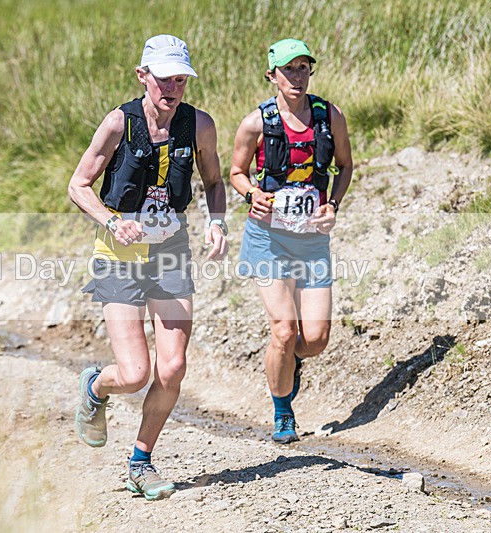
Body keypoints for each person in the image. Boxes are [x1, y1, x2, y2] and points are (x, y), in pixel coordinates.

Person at [68, 34, 228, 500]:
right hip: (119, 256)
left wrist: (217, 222)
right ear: (143, 76)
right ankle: (96, 388)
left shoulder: (199, 125)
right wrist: (112, 221)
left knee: (172, 367)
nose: (172, 88)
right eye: (163, 79)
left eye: (180, 79)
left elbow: (214, 180)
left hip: (170, 249)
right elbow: (78, 185)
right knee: (135, 373)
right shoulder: (119, 123)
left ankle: (140, 462)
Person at [230, 38, 353, 444]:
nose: (297, 76)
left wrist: (333, 205)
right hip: (267, 239)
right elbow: (236, 173)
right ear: (272, 75)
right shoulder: (256, 123)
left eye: (303, 67)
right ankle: (283, 412)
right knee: (284, 331)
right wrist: (252, 194)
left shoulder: (329, 116)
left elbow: (345, 166)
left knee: (313, 340)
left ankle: (289, 363)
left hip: (311, 241)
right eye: (288, 69)